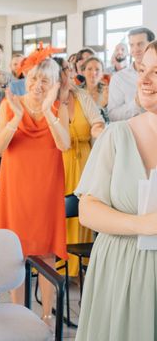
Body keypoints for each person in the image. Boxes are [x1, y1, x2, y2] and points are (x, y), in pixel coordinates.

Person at [74, 40, 157, 341]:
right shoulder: (117, 135)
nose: (145, 80)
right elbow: (87, 209)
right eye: (142, 69)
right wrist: (142, 224)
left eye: (156, 72)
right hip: (121, 271)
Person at [0, 58, 70, 325]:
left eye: (45, 81)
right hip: (16, 185)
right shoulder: (9, 105)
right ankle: (19, 315)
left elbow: (64, 144)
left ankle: (47, 315)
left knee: (47, 251)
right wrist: (16, 117)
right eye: (34, 79)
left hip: (47, 186)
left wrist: (48, 111)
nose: (38, 85)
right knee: (17, 251)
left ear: (54, 85)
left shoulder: (60, 108)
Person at [54, 57, 104, 277]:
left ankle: (79, 270)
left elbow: (96, 121)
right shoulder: (48, 101)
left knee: (83, 211)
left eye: (66, 69)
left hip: (84, 160)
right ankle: (57, 267)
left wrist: (98, 129)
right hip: (57, 161)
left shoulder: (81, 95)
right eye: (60, 71)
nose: (66, 75)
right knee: (59, 214)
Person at [108, 27, 155, 121]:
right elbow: (113, 116)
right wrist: (136, 104)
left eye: (140, 44)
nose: (135, 49)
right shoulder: (118, 78)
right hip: (133, 133)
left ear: (152, 44)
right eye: (132, 45)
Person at [80, 57, 109, 122]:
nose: (93, 73)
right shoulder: (76, 92)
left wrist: (105, 106)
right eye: (89, 69)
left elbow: (110, 120)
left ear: (102, 74)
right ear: (83, 72)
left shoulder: (108, 92)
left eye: (97, 69)